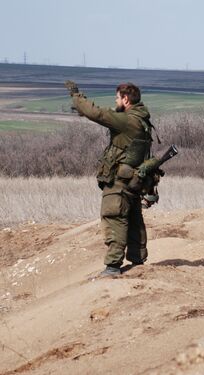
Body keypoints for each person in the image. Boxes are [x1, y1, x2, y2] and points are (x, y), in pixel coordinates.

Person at [65, 81, 153, 277]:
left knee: (115, 218)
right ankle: (137, 261)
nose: (116, 101)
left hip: (119, 184)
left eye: (117, 98)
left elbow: (98, 114)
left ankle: (113, 266)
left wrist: (76, 96)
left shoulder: (128, 121)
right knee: (133, 219)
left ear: (126, 99)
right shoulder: (142, 120)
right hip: (133, 183)